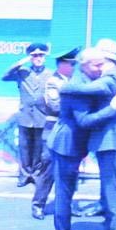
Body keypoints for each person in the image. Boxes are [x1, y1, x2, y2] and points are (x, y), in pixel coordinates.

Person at [45, 46, 116, 230]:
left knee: (69, 191)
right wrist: (112, 109)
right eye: (96, 65)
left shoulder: (89, 83)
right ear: (84, 65)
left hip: (75, 145)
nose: (101, 68)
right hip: (66, 145)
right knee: (64, 194)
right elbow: (84, 122)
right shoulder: (77, 86)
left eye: (103, 64)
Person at [30, 46, 78, 220]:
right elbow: (55, 106)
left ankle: (66, 206)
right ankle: (38, 205)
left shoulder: (75, 81)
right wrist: (78, 108)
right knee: (47, 171)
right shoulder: (53, 82)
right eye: (71, 64)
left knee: (70, 172)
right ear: (62, 65)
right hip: (54, 131)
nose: (74, 67)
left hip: (71, 133)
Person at [2, 42, 52, 187]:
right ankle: (24, 175)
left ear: (45, 57)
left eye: (41, 55)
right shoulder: (22, 72)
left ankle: (35, 174)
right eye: (35, 55)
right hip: (25, 116)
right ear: (30, 57)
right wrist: (21, 62)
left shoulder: (50, 74)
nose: (38, 58)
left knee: (38, 148)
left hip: (41, 116)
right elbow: (5, 76)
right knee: (24, 147)